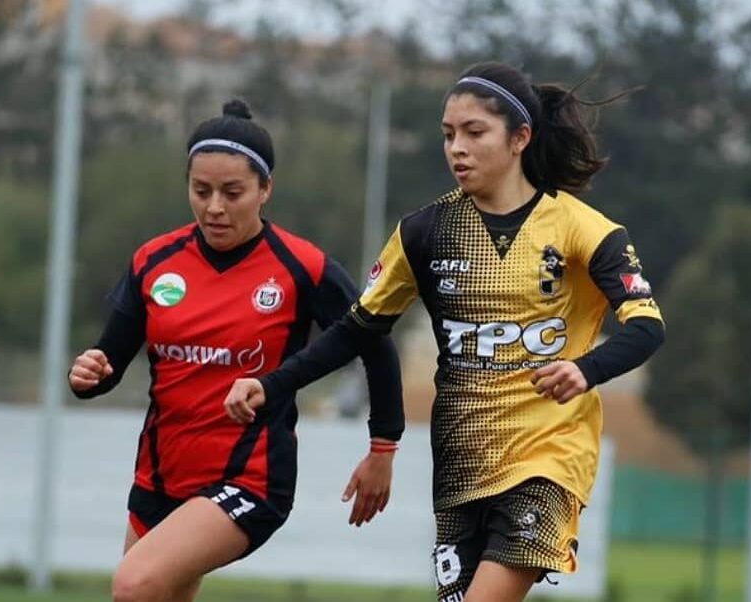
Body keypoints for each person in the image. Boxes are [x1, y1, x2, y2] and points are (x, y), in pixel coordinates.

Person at [224, 62, 665, 602]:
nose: (457, 147)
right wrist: (271, 384)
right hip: (461, 463)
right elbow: (357, 331)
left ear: (520, 137)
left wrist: (583, 368)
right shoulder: (425, 231)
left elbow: (645, 326)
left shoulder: (583, 229)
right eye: (449, 134)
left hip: (549, 460)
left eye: (475, 132)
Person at [68, 99, 404, 602]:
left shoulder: (302, 267)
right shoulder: (154, 261)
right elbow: (110, 359)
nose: (214, 207)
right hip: (160, 474)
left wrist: (383, 448)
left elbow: (374, 345)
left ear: (265, 189)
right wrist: (90, 373)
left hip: (249, 478)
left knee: (134, 587)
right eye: (200, 191)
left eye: (232, 192)